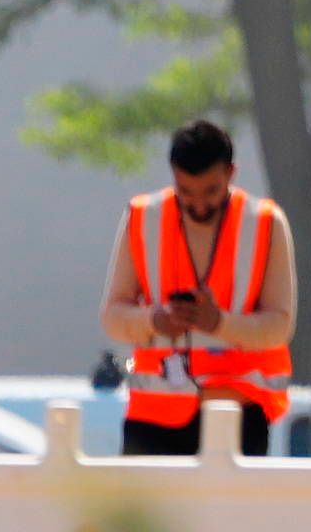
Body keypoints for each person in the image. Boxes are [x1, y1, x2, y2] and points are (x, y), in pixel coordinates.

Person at [100, 117, 296, 454]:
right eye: (186, 192)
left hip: (236, 415)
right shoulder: (142, 216)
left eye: (211, 191)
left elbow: (280, 325)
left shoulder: (265, 223)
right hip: (153, 417)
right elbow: (112, 316)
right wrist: (155, 320)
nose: (199, 205)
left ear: (231, 174)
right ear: (174, 176)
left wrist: (218, 323)